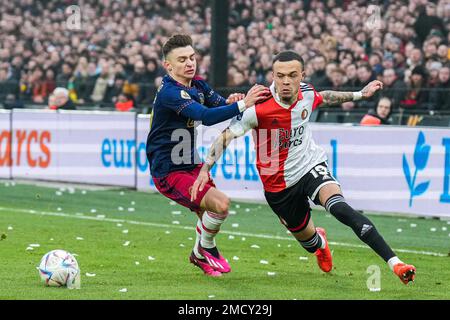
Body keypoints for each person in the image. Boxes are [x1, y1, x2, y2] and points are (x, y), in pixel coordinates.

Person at [191, 50, 416, 285]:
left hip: (310, 165)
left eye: (292, 75)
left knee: (339, 208)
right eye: (280, 76)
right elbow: (225, 137)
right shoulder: (257, 107)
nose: (286, 81)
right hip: (278, 186)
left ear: (302, 75)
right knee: (309, 243)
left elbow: (325, 96)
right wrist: (206, 168)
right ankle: (320, 243)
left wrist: (361, 93)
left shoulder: (307, 93)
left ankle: (396, 263)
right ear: (273, 76)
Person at [146, 34, 270, 277]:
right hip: (168, 170)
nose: (190, 63)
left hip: (191, 163)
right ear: (168, 66)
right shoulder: (171, 93)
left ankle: (198, 255)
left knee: (208, 216)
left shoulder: (198, 85)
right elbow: (206, 116)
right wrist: (244, 104)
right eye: (182, 59)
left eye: (192, 57)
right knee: (220, 205)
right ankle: (207, 250)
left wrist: (235, 101)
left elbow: (219, 105)